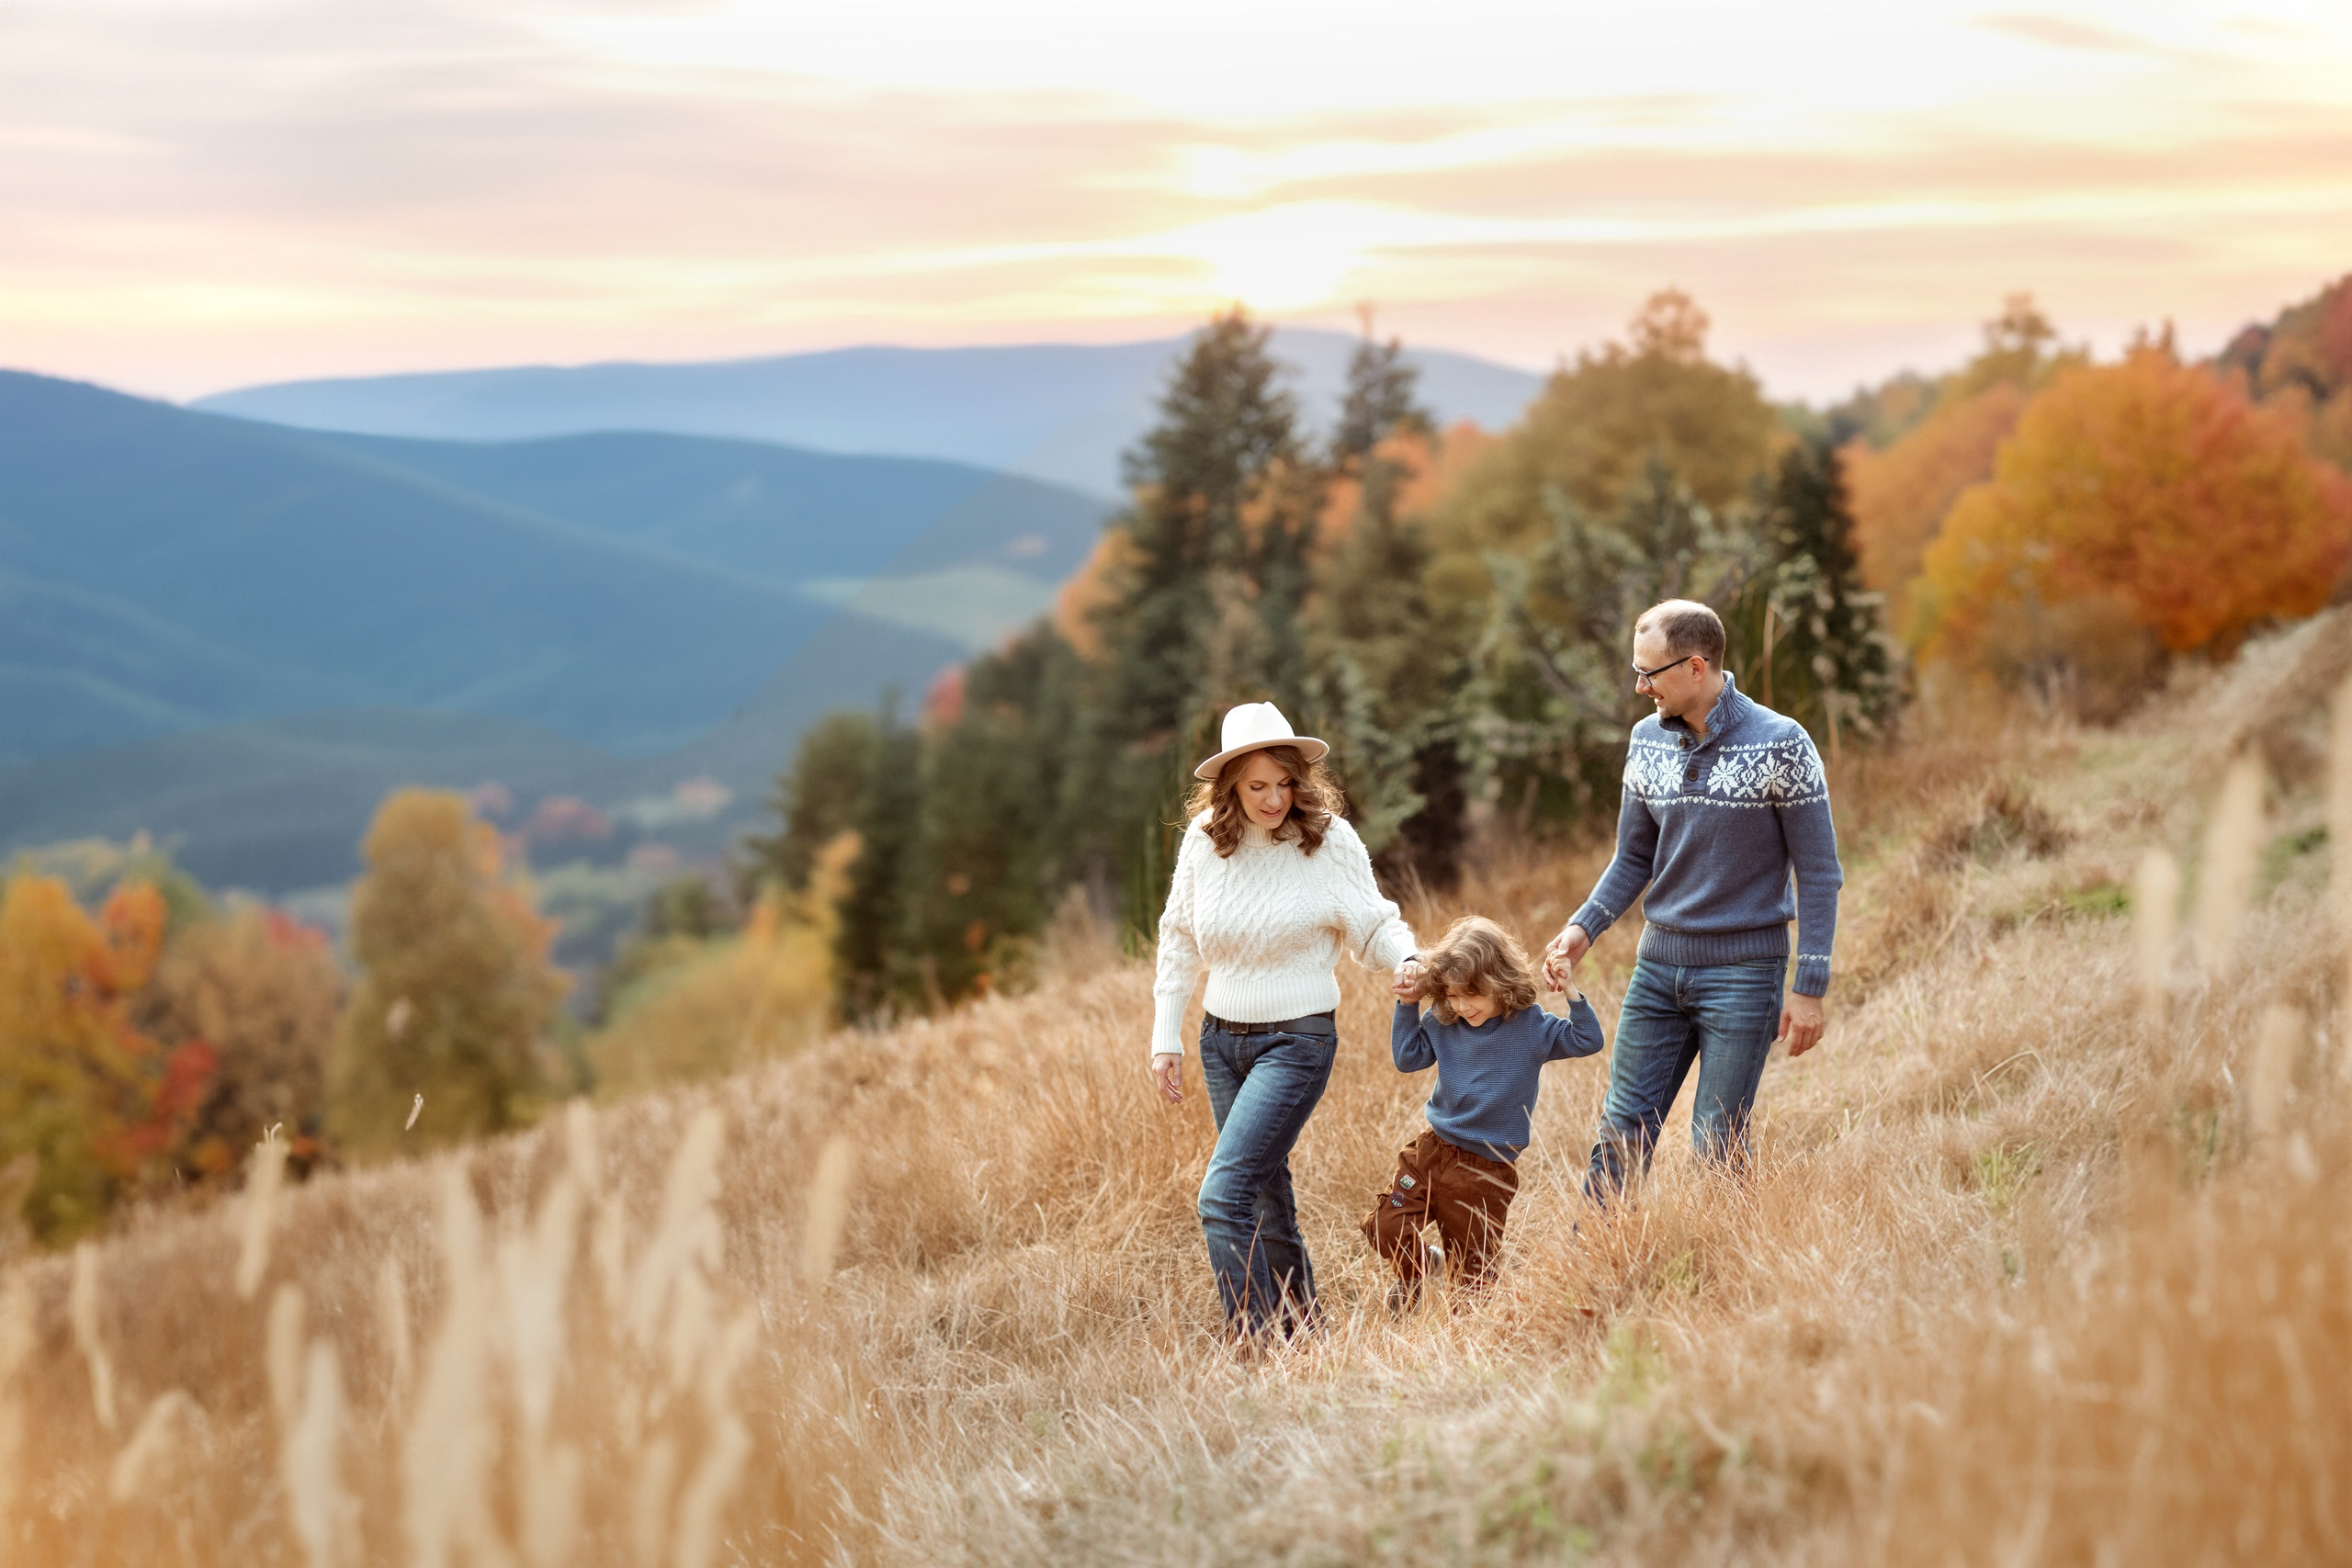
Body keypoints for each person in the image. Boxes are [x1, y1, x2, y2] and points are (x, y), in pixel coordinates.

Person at [1544, 599, 1843, 1198]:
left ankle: (1728, 1277)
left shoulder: (1783, 742)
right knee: (1621, 1131)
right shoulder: (1646, 740)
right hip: (1658, 970)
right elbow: (1633, 858)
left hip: (1745, 973)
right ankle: (1592, 1272)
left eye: (1650, 673)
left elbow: (1819, 871)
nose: (1639, 686)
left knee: (1717, 1144)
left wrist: (1809, 986)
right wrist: (1584, 928)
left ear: (1697, 666)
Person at [1151, 701, 1419, 1341]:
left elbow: (1374, 923)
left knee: (1222, 1196)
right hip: (1221, 1043)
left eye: (1284, 782)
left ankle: (1255, 1339)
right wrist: (1167, 1034)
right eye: (1256, 786)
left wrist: (1407, 958)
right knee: (1264, 1194)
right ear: (1229, 787)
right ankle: (1303, 1329)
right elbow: (1178, 937)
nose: (1274, 799)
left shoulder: (1327, 839)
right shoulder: (1202, 844)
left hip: (1296, 1040)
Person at [1365, 916, 1603, 1310]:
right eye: (1453, 995)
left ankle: (1464, 1345)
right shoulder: (1444, 1019)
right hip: (1433, 1151)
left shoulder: (1532, 1028)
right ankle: (1421, 1270)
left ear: (1500, 982)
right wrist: (1408, 1004)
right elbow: (1407, 1059)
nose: (1462, 1006)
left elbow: (1588, 1039)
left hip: (1486, 1171)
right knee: (1385, 1226)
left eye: (1472, 994)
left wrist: (1571, 990)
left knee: (1472, 1284)